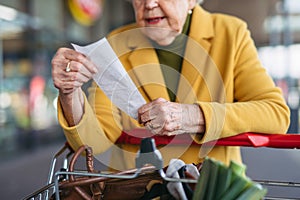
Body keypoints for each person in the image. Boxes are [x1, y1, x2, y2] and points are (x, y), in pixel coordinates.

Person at [51, 0, 290, 170]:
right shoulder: (117, 45)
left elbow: (275, 114)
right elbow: (93, 142)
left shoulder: (231, 33)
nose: (150, 4)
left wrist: (191, 116)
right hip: (136, 190)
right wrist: (69, 93)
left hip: (207, 189)